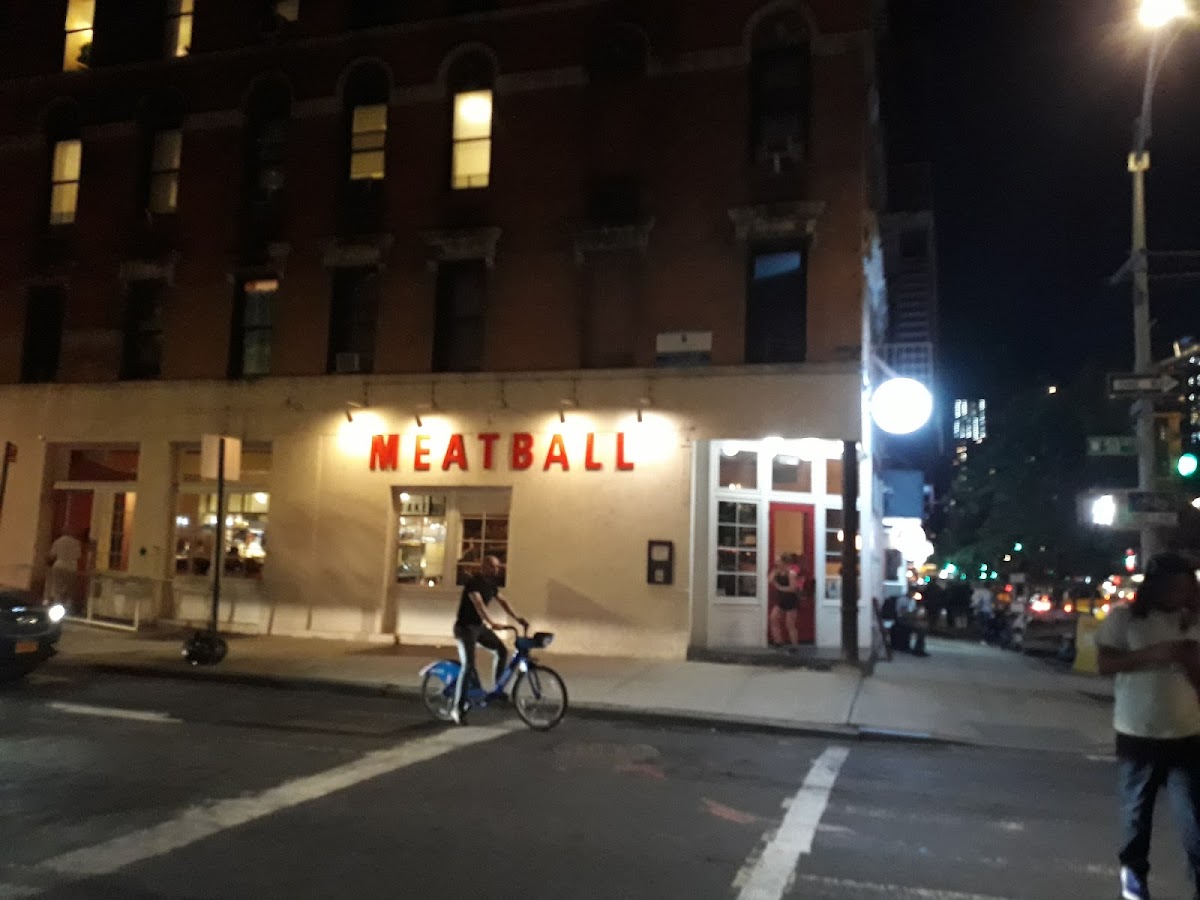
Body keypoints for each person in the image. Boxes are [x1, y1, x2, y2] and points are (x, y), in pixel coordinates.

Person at [1096, 552, 1200, 900]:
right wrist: (1153, 655)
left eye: (1186, 587)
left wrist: (1189, 662)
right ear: (1154, 587)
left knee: (1195, 822)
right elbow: (1105, 663)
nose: (1178, 593)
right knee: (1136, 816)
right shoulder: (1125, 619)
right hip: (1137, 731)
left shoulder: (1196, 622)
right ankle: (1134, 884)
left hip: (1188, 733)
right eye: (1171, 586)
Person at [452, 555, 527, 725]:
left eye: (498, 567)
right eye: (493, 567)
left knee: (501, 650)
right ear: (484, 566)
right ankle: (457, 708)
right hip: (465, 628)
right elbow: (479, 604)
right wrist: (491, 622)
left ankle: (497, 689)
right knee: (468, 665)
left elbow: (503, 601)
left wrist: (517, 618)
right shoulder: (473, 583)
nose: (496, 570)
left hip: (479, 628)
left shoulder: (491, 584)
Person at [45, 528, 84, 610]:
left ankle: (56, 607)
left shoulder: (58, 541)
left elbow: (52, 555)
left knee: (57, 589)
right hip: (72, 567)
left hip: (59, 566)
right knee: (69, 589)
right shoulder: (76, 543)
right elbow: (78, 555)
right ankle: (67, 607)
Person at [768, 553, 801, 647]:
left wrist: (780, 587)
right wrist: (774, 574)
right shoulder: (777, 571)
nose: (776, 562)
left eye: (778, 560)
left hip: (791, 600)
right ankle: (778, 641)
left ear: (784, 562)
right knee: (773, 618)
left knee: (789, 624)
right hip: (781, 600)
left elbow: (793, 588)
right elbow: (769, 580)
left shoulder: (791, 573)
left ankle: (795, 645)